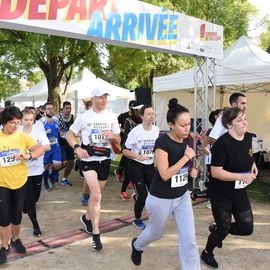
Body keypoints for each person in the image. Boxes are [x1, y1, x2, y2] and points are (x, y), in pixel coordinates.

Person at [131, 98, 200, 269]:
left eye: (189, 124)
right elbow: (164, 174)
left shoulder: (188, 139)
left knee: (189, 239)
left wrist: (191, 170)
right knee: (155, 233)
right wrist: (186, 157)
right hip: (160, 198)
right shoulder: (162, 142)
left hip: (182, 196)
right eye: (182, 125)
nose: (187, 129)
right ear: (170, 124)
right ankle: (137, 246)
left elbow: (186, 165)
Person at [200, 107, 257, 269]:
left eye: (245, 118)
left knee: (246, 228)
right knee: (224, 227)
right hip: (220, 193)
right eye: (239, 120)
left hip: (238, 191)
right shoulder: (222, 144)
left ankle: (217, 228)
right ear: (229, 125)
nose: (244, 122)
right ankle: (207, 252)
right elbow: (216, 172)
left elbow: (248, 154)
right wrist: (241, 177)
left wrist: (252, 165)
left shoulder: (247, 138)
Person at [66, 87, 120, 251]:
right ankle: (96, 234)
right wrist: (77, 147)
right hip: (88, 159)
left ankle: (87, 217)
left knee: (95, 198)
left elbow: (118, 139)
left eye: (105, 97)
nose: (104, 100)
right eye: (100, 97)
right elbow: (69, 134)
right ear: (93, 98)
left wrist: (112, 136)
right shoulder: (84, 117)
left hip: (104, 159)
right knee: (96, 195)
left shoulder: (111, 116)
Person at [0, 106, 44, 265]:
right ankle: (4, 246)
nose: (16, 125)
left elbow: (39, 150)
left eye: (18, 122)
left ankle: (16, 239)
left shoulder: (22, 137)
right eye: (12, 122)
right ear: (4, 122)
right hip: (2, 183)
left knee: (17, 215)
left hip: (20, 181)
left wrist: (28, 155)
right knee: (4, 216)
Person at [123, 105, 159, 229]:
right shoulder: (136, 132)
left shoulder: (156, 130)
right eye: (148, 114)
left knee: (154, 193)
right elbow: (125, 151)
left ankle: (137, 195)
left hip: (149, 166)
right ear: (141, 116)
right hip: (135, 166)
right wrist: (137, 156)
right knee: (143, 196)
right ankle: (137, 218)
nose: (151, 116)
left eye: (153, 114)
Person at [20, 109, 50, 237]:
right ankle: (35, 225)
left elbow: (47, 146)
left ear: (34, 119)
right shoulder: (17, 132)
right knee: (30, 199)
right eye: (25, 120)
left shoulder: (38, 130)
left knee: (36, 197)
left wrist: (35, 152)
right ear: (21, 120)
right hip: (23, 170)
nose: (28, 122)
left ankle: (25, 206)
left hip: (37, 169)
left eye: (30, 120)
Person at [120, 101, 143, 200]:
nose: (140, 113)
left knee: (139, 171)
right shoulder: (128, 120)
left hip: (141, 149)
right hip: (129, 148)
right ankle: (123, 190)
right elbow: (127, 136)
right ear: (134, 110)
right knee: (129, 171)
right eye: (138, 111)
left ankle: (138, 192)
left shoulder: (143, 120)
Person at [39, 102, 62, 191]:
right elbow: (37, 135)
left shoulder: (56, 119)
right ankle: (45, 183)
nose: (50, 110)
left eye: (51, 108)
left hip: (56, 147)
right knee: (46, 167)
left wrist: (62, 134)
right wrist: (45, 133)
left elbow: (59, 131)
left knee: (58, 166)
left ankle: (51, 176)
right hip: (46, 148)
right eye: (48, 109)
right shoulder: (41, 122)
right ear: (44, 110)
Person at [114, 100, 136, 183]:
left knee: (130, 157)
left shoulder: (138, 117)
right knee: (126, 156)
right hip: (124, 139)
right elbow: (114, 125)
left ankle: (127, 176)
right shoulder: (123, 116)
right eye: (132, 108)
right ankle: (120, 172)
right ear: (129, 107)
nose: (134, 110)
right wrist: (122, 130)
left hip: (134, 140)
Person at [58, 101, 75, 186]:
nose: (68, 110)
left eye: (70, 108)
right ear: (63, 109)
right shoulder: (58, 118)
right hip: (60, 142)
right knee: (64, 162)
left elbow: (75, 129)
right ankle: (52, 172)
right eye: (67, 108)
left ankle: (64, 178)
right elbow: (58, 131)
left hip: (70, 142)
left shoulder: (73, 117)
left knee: (71, 161)